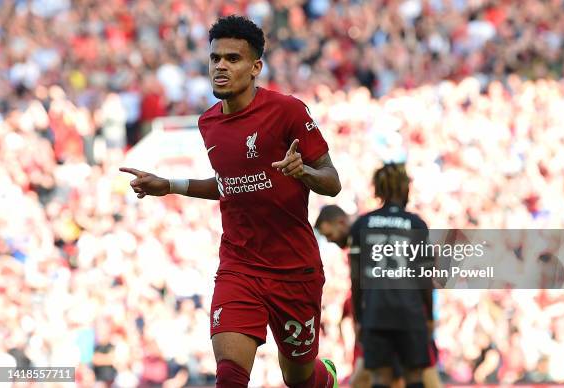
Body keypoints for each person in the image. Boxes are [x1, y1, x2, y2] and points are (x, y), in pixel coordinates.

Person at [120, 15, 341, 388]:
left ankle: (326, 378)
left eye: (233, 59)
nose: (221, 66)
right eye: (215, 58)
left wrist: (303, 173)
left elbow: (332, 182)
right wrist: (170, 185)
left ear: (256, 67)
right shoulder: (208, 123)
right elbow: (230, 185)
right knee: (230, 376)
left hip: (294, 269)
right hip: (239, 267)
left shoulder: (287, 111)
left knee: (299, 378)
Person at [316, 165, 443, 388]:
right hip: (410, 313)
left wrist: (358, 320)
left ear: (378, 191)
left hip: (376, 314)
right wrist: (430, 316)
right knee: (415, 378)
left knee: (379, 380)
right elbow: (425, 277)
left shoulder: (362, 225)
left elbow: (356, 282)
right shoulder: (416, 224)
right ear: (405, 189)